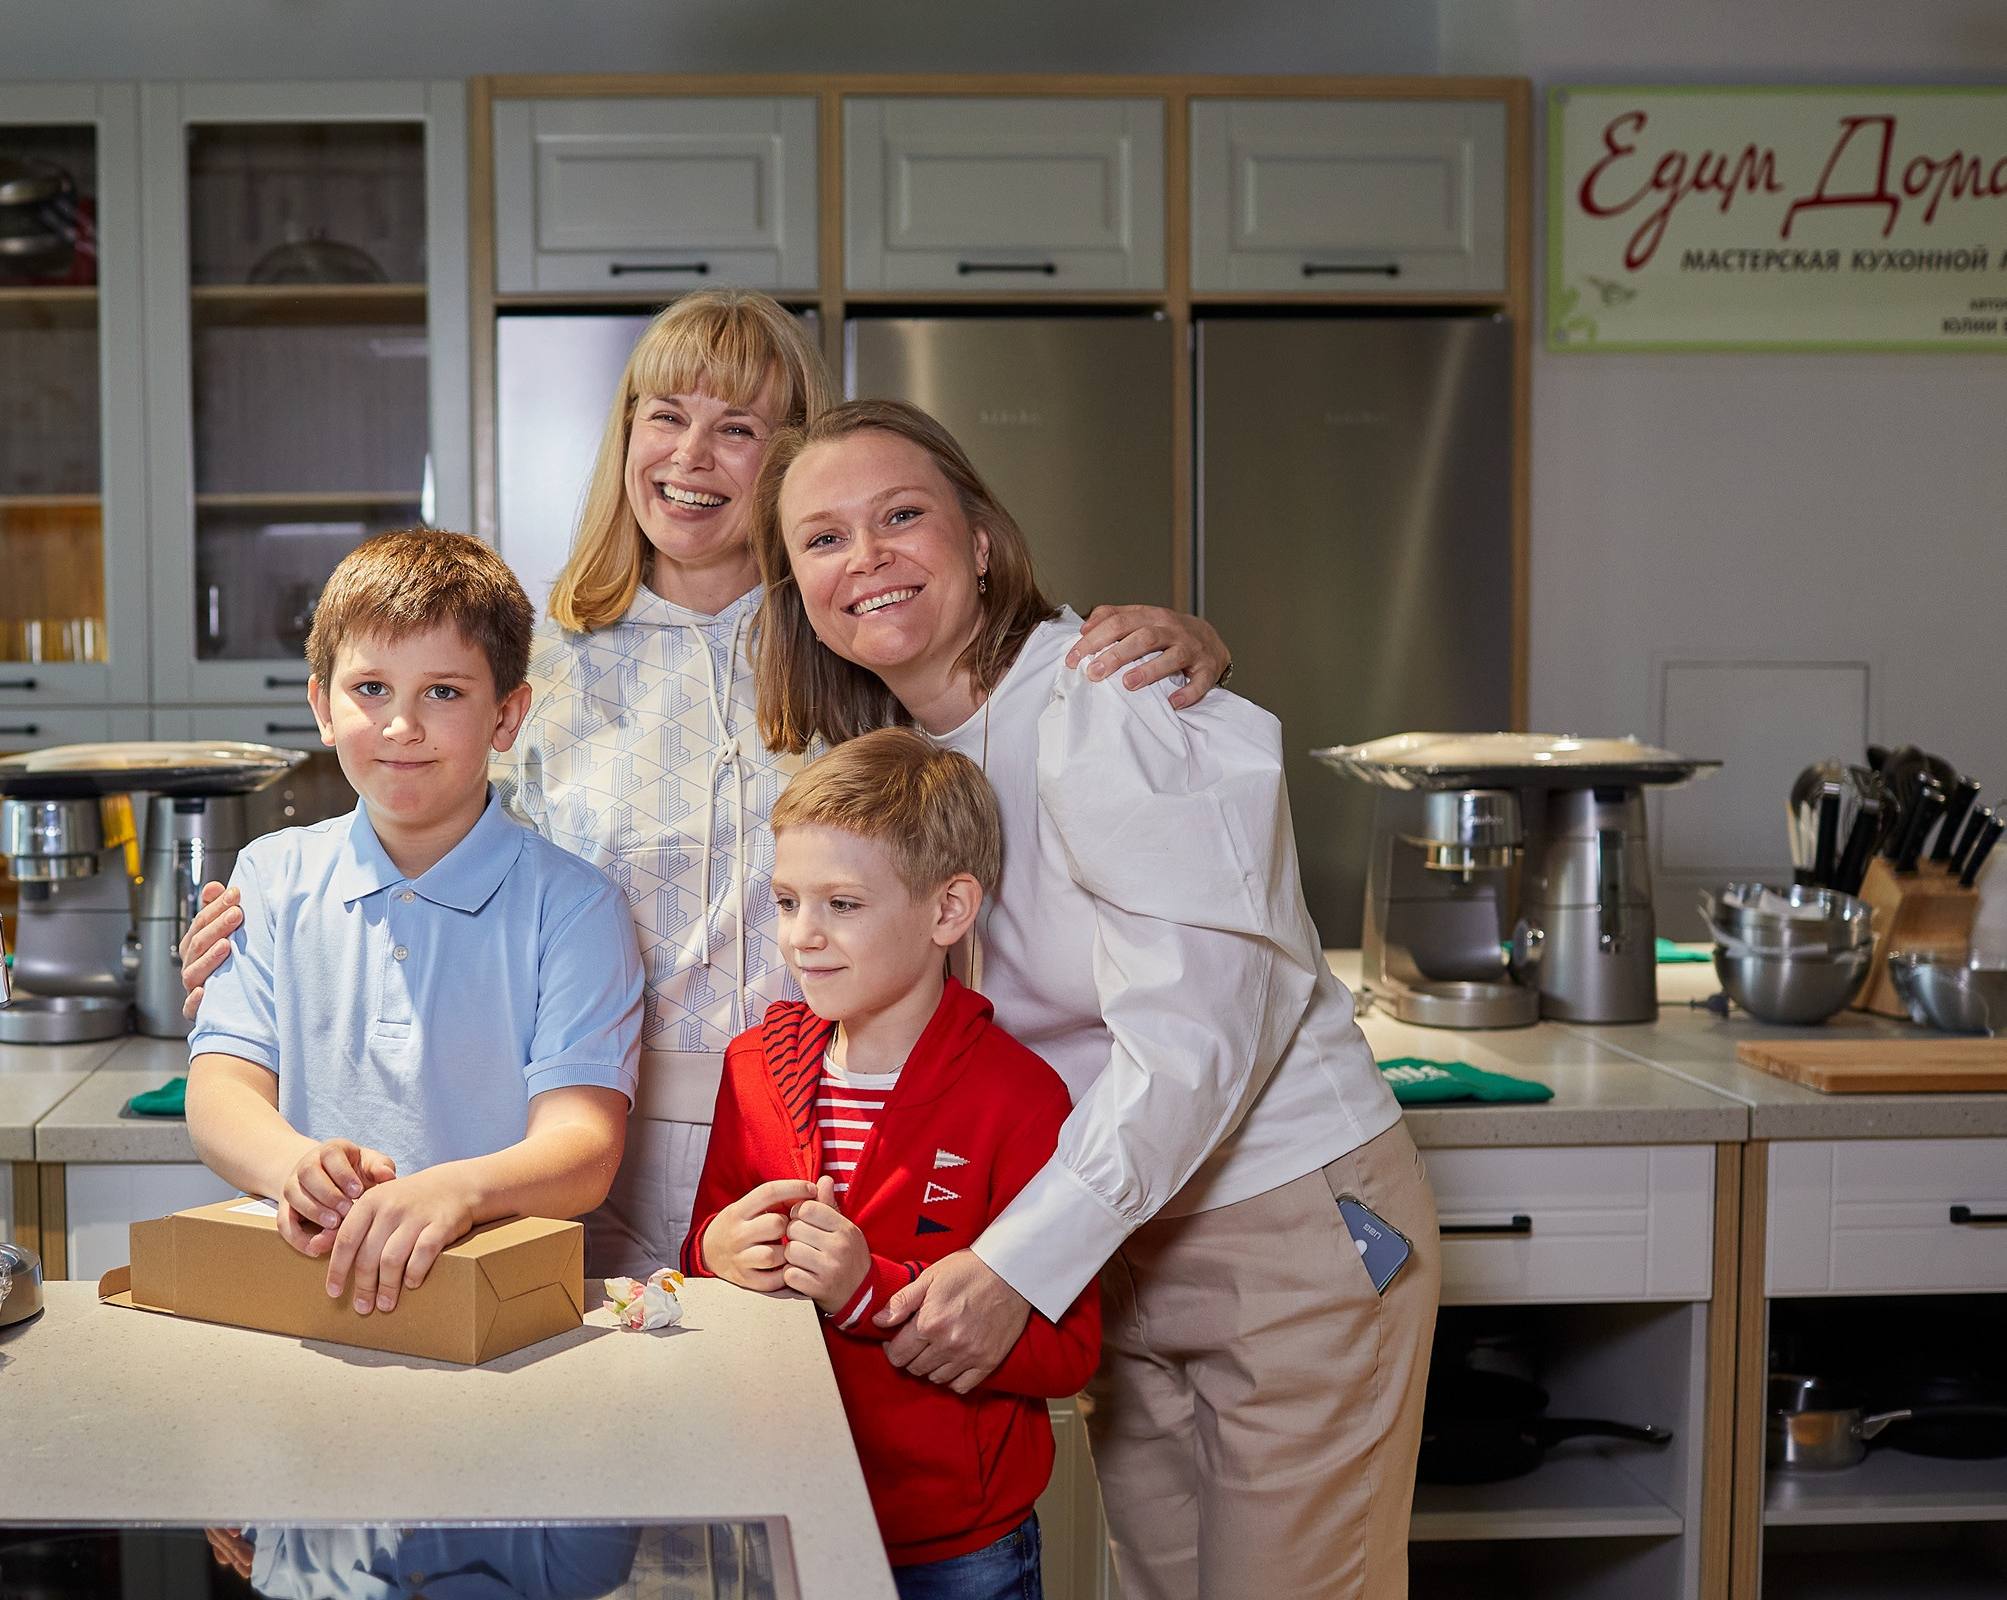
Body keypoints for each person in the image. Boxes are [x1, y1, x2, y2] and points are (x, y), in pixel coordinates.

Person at [181, 288, 1235, 1279]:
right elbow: (418, 794)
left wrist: (1172, 641)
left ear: (794, 460)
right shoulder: (544, 657)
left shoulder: (858, 632)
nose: (692, 456)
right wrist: (274, 927)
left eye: (739, 428)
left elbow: (1006, 685)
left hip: (843, 1136)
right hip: (587, 1145)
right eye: (666, 415)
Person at [751, 400, 1440, 1600]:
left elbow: (1198, 1039)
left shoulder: (1109, 702)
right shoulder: (906, 758)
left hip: (1279, 1225)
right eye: (822, 538)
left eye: (900, 515)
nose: (863, 557)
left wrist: (1019, 1261)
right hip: (1115, 1241)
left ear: (981, 541)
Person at [186, 529, 644, 1318]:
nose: (400, 726)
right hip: (304, 1300)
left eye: (443, 692)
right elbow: (220, 1091)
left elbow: (584, 1150)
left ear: (507, 714)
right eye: (369, 689)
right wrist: (294, 1165)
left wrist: (454, 1192)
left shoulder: (574, 907)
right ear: (321, 706)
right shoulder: (269, 877)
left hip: (494, 1312)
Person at [685, 728, 1099, 1600]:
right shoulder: (752, 1069)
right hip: (782, 1511)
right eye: (788, 900)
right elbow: (704, 1255)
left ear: (949, 910)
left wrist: (869, 1289)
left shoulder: (1021, 1100)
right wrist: (714, 1256)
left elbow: (1068, 1351)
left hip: (957, 1549)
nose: (803, 937)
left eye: (842, 904)